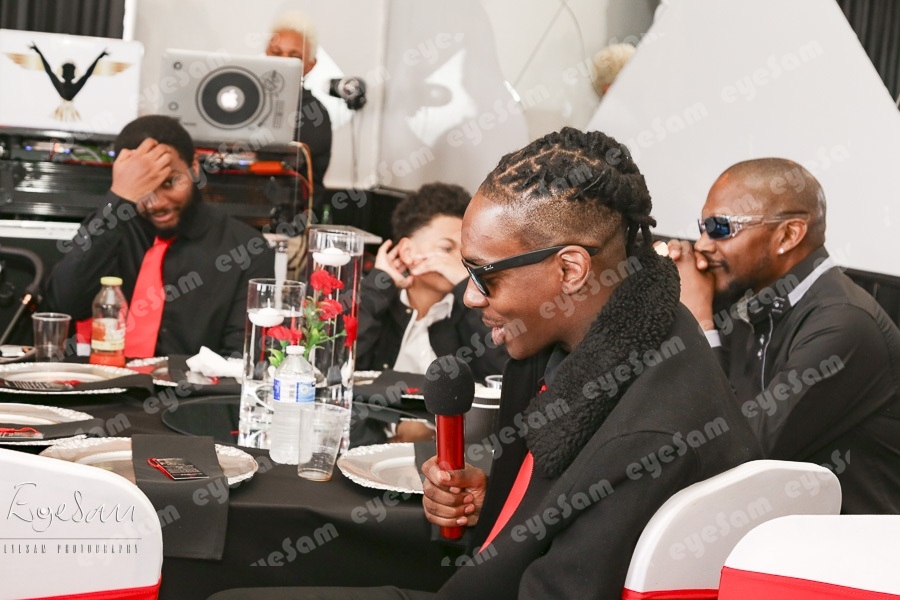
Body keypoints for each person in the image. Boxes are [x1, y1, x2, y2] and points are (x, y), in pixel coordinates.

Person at [209, 128, 761, 599]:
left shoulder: (650, 438)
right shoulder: (594, 340)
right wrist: (495, 499)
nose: (470, 297)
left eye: (484, 275)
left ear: (570, 270)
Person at [668, 158, 900, 514]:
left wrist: (699, 319)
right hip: (787, 531)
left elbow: (739, 455)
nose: (701, 245)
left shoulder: (844, 323)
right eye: (702, 227)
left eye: (720, 228)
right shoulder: (758, 301)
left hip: (856, 543)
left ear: (788, 235)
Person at [44, 115, 275, 357]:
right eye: (143, 188)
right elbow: (64, 307)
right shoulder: (109, 230)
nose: (157, 203)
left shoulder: (246, 249)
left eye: (169, 182)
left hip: (197, 382)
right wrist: (118, 199)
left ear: (194, 167)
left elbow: (242, 358)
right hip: (106, 377)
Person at [353, 182, 508, 445]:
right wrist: (379, 285)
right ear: (407, 251)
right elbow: (339, 367)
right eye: (447, 249)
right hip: (367, 450)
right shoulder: (376, 301)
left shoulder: (471, 312)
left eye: (465, 253)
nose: (459, 261)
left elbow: (502, 375)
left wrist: (466, 287)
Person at [262, 10, 332, 209]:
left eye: (294, 56)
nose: (283, 61)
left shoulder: (315, 113)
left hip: (293, 216)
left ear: (310, 65)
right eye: (277, 53)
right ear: (266, 53)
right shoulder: (248, 99)